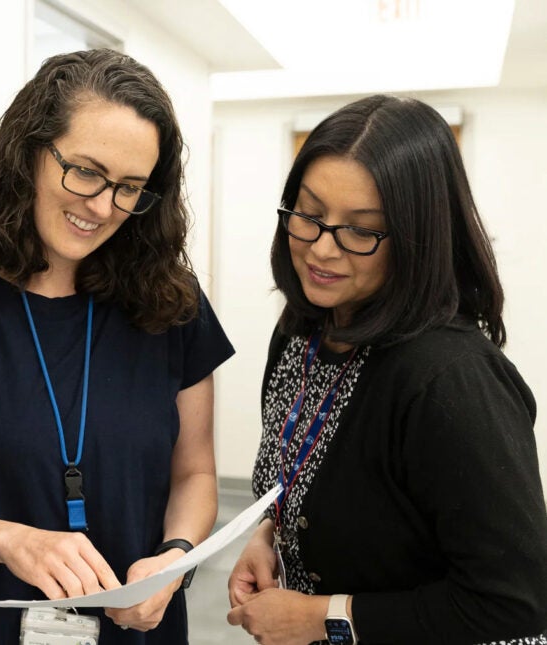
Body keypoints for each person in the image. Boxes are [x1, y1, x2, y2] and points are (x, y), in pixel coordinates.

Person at [0, 49, 234, 644]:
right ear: (29, 152)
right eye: (86, 171)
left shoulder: (172, 305)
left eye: (130, 188)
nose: (102, 206)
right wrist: (6, 539)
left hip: (136, 629)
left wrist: (175, 556)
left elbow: (194, 472)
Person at [226, 95, 547, 645]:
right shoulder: (304, 327)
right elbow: (298, 476)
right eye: (309, 214)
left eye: (361, 230)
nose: (322, 250)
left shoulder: (450, 379)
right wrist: (270, 535)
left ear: (418, 239)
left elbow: (516, 600)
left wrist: (324, 617)